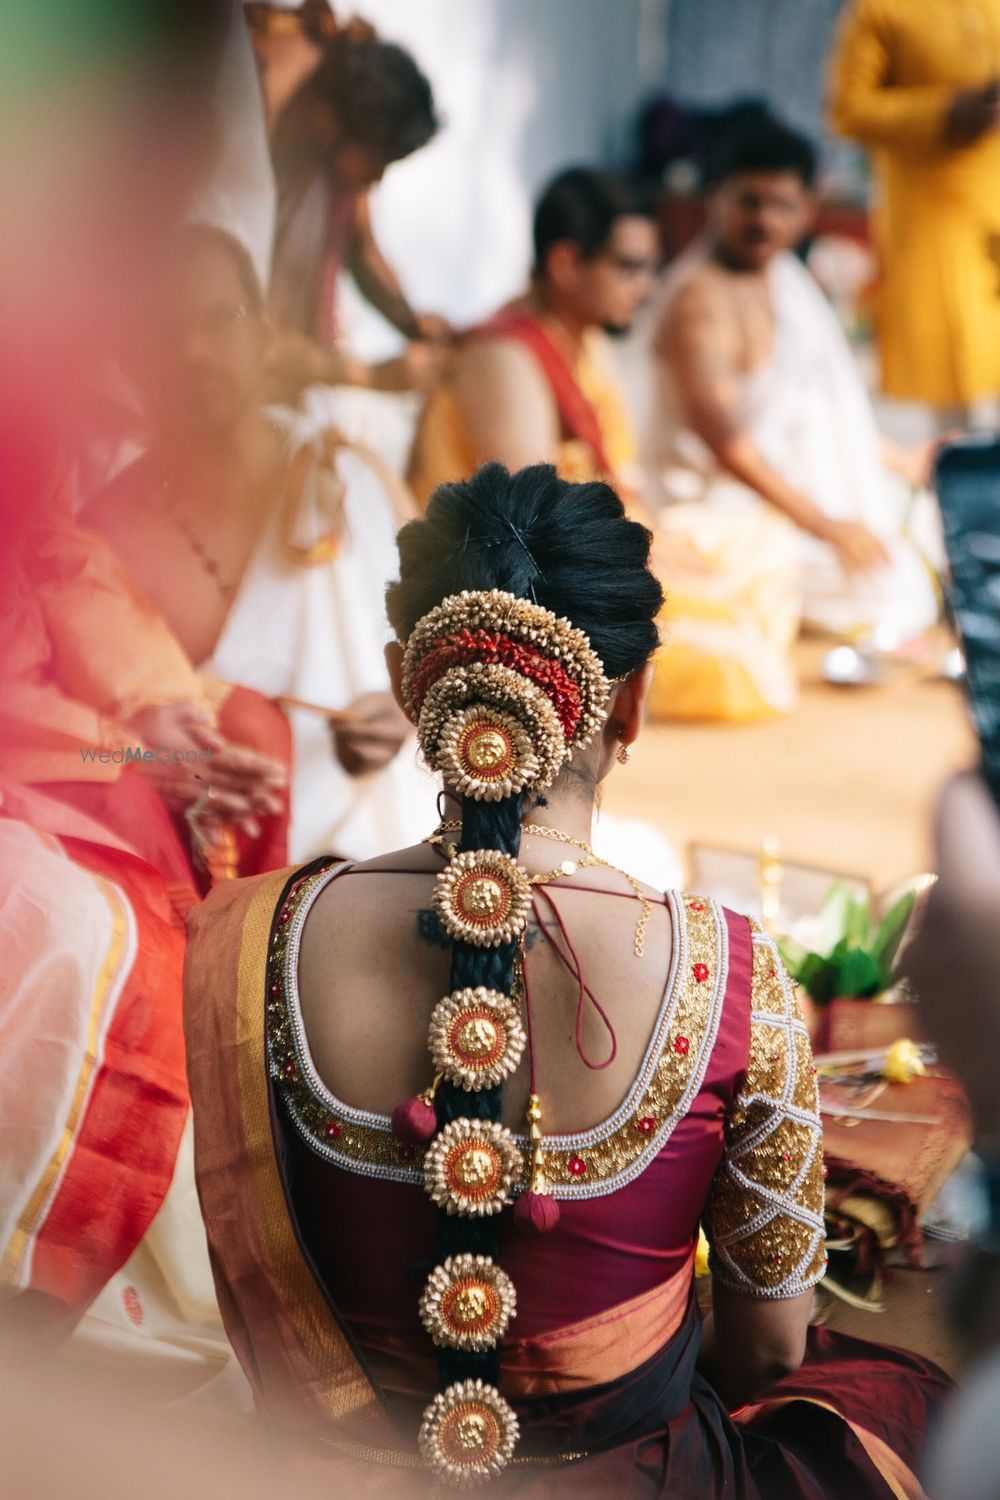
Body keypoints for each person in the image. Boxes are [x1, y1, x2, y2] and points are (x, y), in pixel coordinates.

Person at [185, 461, 949, 1497]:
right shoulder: (730, 971)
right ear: (633, 698)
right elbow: (769, 1348)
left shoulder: (250, 936)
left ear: (407, 680)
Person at [85, 223, 437, 861]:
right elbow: (79, 745)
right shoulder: (102, 539)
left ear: (267, 337)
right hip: (218, 877)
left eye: (221, 320)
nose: (192, 352)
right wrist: (143, 759)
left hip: (395, 851)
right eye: (163, 334)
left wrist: (406, 702)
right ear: (130, 361)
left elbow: (449, 655)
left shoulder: (351, 480)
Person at [638, 115, 940, 722]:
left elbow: (822, 410)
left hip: (783, 495)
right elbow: (728, 445)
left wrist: (895, 457)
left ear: (807, 210)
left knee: (928, 519)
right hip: (716, 514)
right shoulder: (699, 299)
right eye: (749, 201)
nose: (765, 220)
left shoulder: (785, 277)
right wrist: (827, 524)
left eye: (782, 204)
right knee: (886, 581)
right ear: (713, 199)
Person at [408, 167, 658, 505]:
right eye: (628, 269)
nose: (646, 289)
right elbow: (533, 525)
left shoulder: (585, 338)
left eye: (648, 270)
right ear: (565, 265)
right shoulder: (501, 357)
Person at [247, 2, 453, 400]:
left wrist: (411, 323)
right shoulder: (258, 106)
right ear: (329, 122)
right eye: (378, 163)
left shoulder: (333, 115)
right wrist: (369, 376)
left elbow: (360, 247)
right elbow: (241, 331)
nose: (376, 179)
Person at [829, 0, 1000, 425]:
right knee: (955, 393)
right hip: (931, 221)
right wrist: (944, 112)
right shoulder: (883, 10)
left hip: (991, 208)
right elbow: (848, 110)